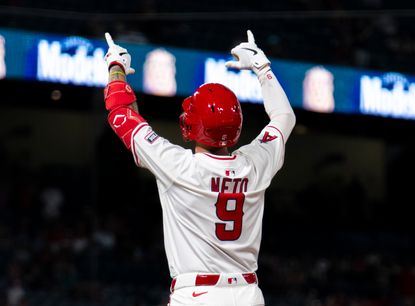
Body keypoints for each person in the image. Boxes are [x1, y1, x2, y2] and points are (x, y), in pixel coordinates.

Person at [102, 30, 296, 306]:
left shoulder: (177, 165)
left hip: (196, 295)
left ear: (190, 126)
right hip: (248, 294)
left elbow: (121, 112)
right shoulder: (257, 163)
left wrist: (116, 67)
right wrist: (262, 67)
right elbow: (284, 117)